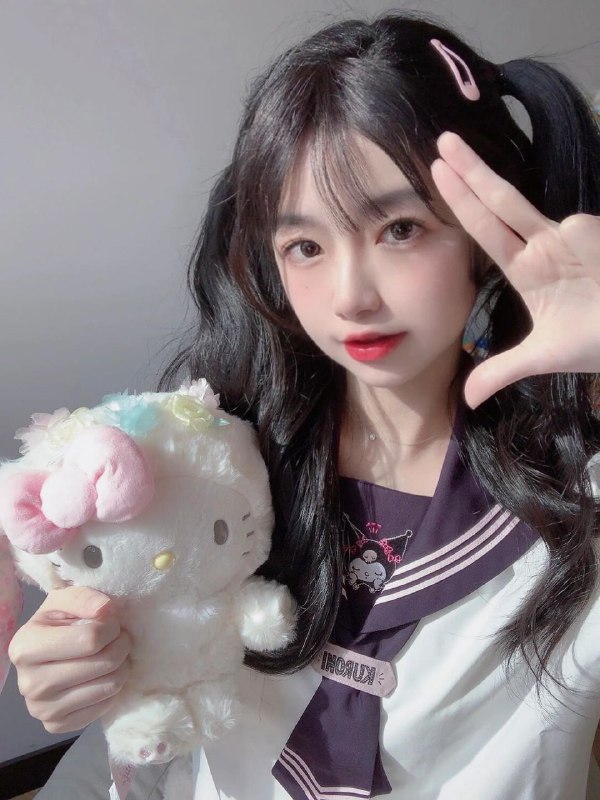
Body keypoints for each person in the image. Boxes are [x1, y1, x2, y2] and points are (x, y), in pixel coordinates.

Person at [6, 11, 600, 800]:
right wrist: (79, 656)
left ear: (482, 237)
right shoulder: (208, 463)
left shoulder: (573, 493)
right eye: (307, 247)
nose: (351, 296)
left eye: (400, 229)